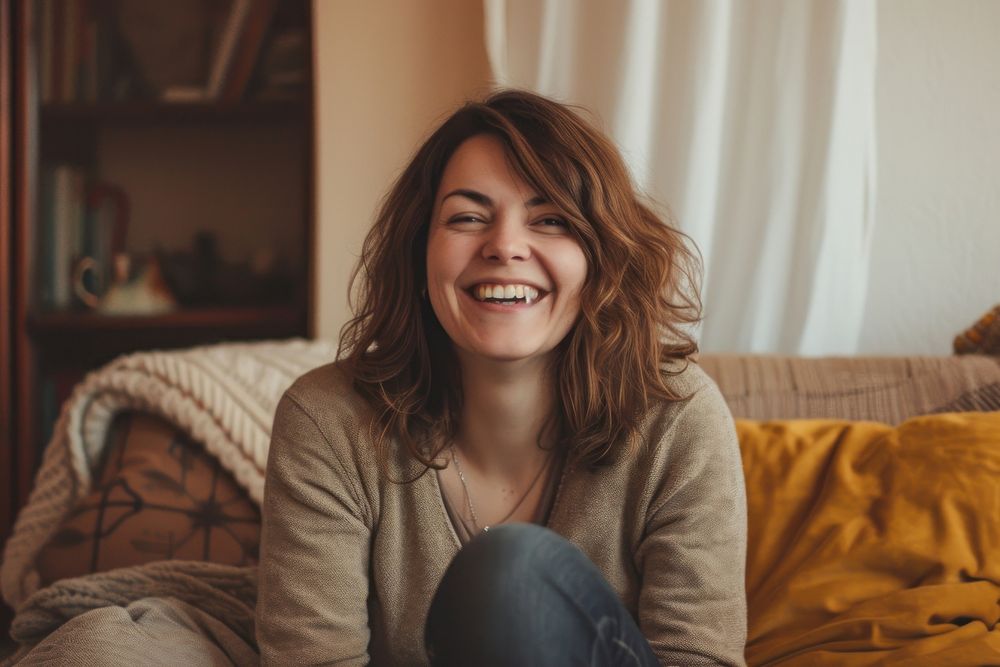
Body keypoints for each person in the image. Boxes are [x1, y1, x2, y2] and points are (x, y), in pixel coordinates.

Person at [256, 90, 747, 666]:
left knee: (510, 573)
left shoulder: (679, 415)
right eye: (467, 217)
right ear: (420, 253)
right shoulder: (327, 420)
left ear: (600, 261)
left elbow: (699, 657)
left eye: (551, 220)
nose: (506, 246)